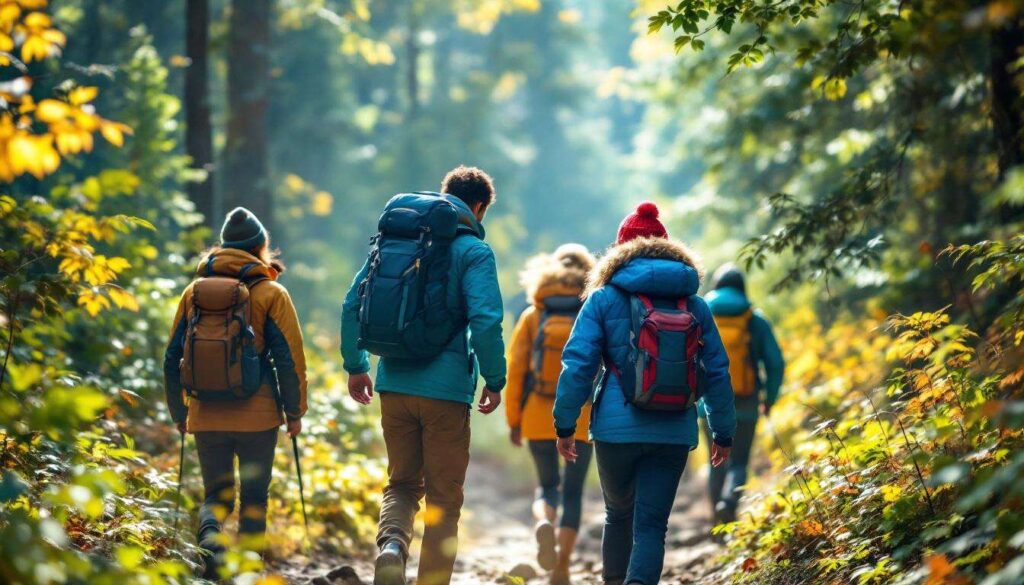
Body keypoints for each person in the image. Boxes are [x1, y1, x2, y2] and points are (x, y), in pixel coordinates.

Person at [552, 202, 736, 585]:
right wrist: (723, 432)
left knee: (617, 515)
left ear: (621, 250)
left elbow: (578, 364)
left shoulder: (602, 299)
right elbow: (717, 371)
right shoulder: (695, 304)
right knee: (652, 526)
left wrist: (565, 423)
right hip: (673, 429)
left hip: (615, 431)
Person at [341, 166, 506, 585]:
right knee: (444, 499)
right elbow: (486, 321)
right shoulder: (474, 251)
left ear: (444, 195)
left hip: (393, 382)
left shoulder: (399, 240)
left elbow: (351, 304)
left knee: (400, 484)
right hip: (446, 392)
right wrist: (494, 378)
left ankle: (392, 545)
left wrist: (356, 365)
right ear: (479, 207)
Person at [163, 207, 307, 578]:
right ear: (260, 247)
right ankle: (249, 571)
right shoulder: (272, 293)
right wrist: (295, 412)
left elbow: (171, 357)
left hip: (206, 414)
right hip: (257, 418)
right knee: (255, 498)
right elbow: (288, 360)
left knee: (217, 495)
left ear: (223, 247)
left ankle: (210, 541)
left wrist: (180, 413)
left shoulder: (193, 293)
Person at [505, 244, 596, 585]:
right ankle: (562, 568)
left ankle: (544, 519)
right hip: (581, 418)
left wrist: (514, 421)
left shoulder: (533, 315)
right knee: (573, 492)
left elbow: (516, 372)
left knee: (547, 487)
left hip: (538, 416)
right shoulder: (591, 311)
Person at [701, 264, 784, 526]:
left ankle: (719, 523)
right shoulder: (754, 320)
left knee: (715, 460)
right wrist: (769, 398)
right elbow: (775, 363)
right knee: (738, 461)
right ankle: (729, 503)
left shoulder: (702, 315)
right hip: (746, 403)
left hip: (709, 402)